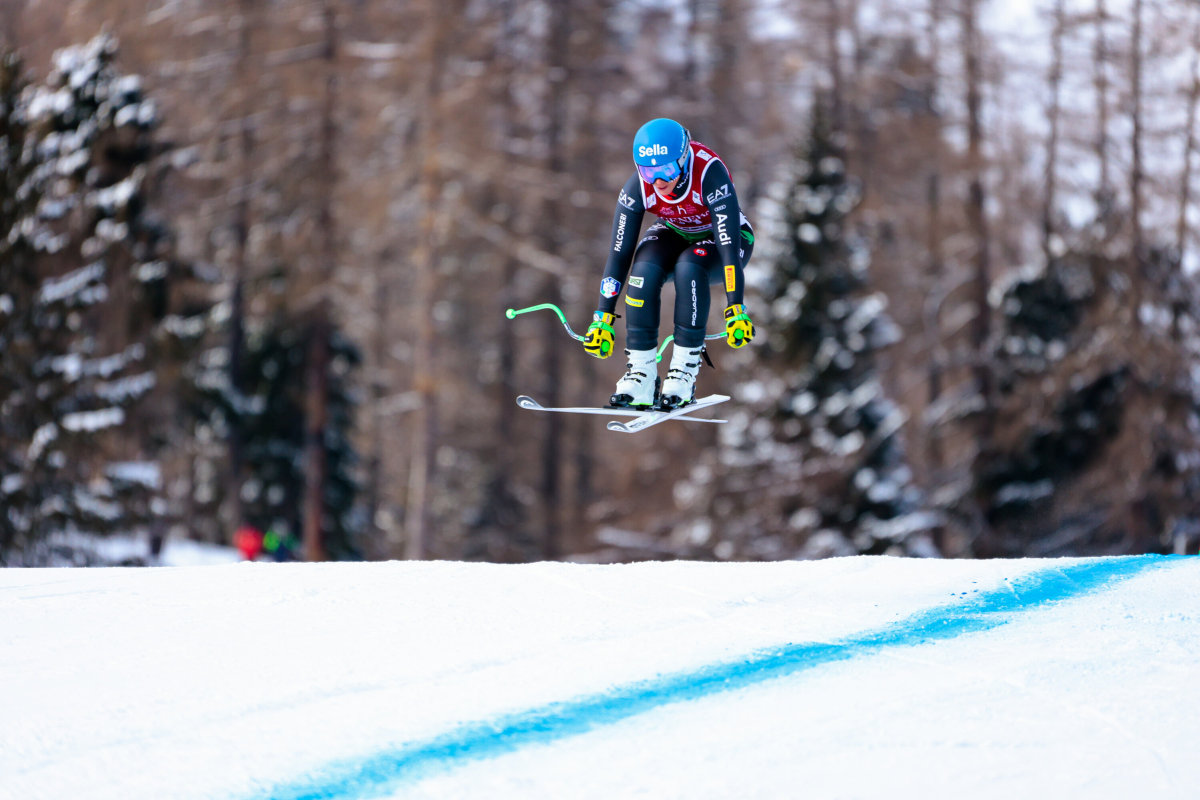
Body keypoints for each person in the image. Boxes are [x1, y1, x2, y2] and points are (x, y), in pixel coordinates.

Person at [582, 118, 755, 410]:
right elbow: (619, 253)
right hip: (676, 231)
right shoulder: (639, 187)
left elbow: (728, 247)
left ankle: (684, 372)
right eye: (648, 171)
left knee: (690, 267)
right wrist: (603, 317)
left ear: (684, 158)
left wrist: (735, 306)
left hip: (727, 240)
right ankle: (641, 375)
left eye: (666, 170)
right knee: (643, 269)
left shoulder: (709, 174)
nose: (658, 180)